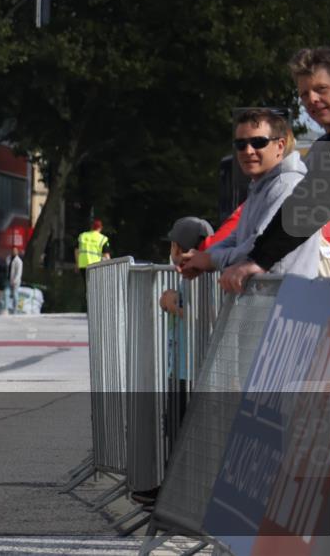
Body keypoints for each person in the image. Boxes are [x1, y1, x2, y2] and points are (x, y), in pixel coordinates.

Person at [221, 47, 330, 292]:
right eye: (304, 94)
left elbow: (314, 201)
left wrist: (259, 260)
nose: (312, 99)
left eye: (321, 89)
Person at [179, 108, 320, 280]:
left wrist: (210, 260)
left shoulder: (287, 185)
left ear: (280, 146)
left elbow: (260, 245)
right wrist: (201, 259)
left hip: (283, 294)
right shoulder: (260, 186)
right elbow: (235, 238)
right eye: (240, 144)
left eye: (258, 142)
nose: (248, 150)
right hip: (266, 293)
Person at [133, 216, 214, 506]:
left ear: (180, 248)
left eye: (172, 245)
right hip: (182, 367)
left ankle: (177, 496)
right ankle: (172, 489)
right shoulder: (191, 275)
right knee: (176, 431)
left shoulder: (200, 276)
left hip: (190, 370)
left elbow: (204, 315)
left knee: (182, 433)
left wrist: (173, 303)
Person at [4, 247, 24, 314]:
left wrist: (15, 281)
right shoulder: (8, 259)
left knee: (15, 294)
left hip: (15, 281)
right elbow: (7, 268)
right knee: (6, 293)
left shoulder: (19, 261)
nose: (14, 252)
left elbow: (19, 273)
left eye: (15, 251)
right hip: (8, 279)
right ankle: (6, 309)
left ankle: (15, 310)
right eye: (13, 250)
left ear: (17, 252)